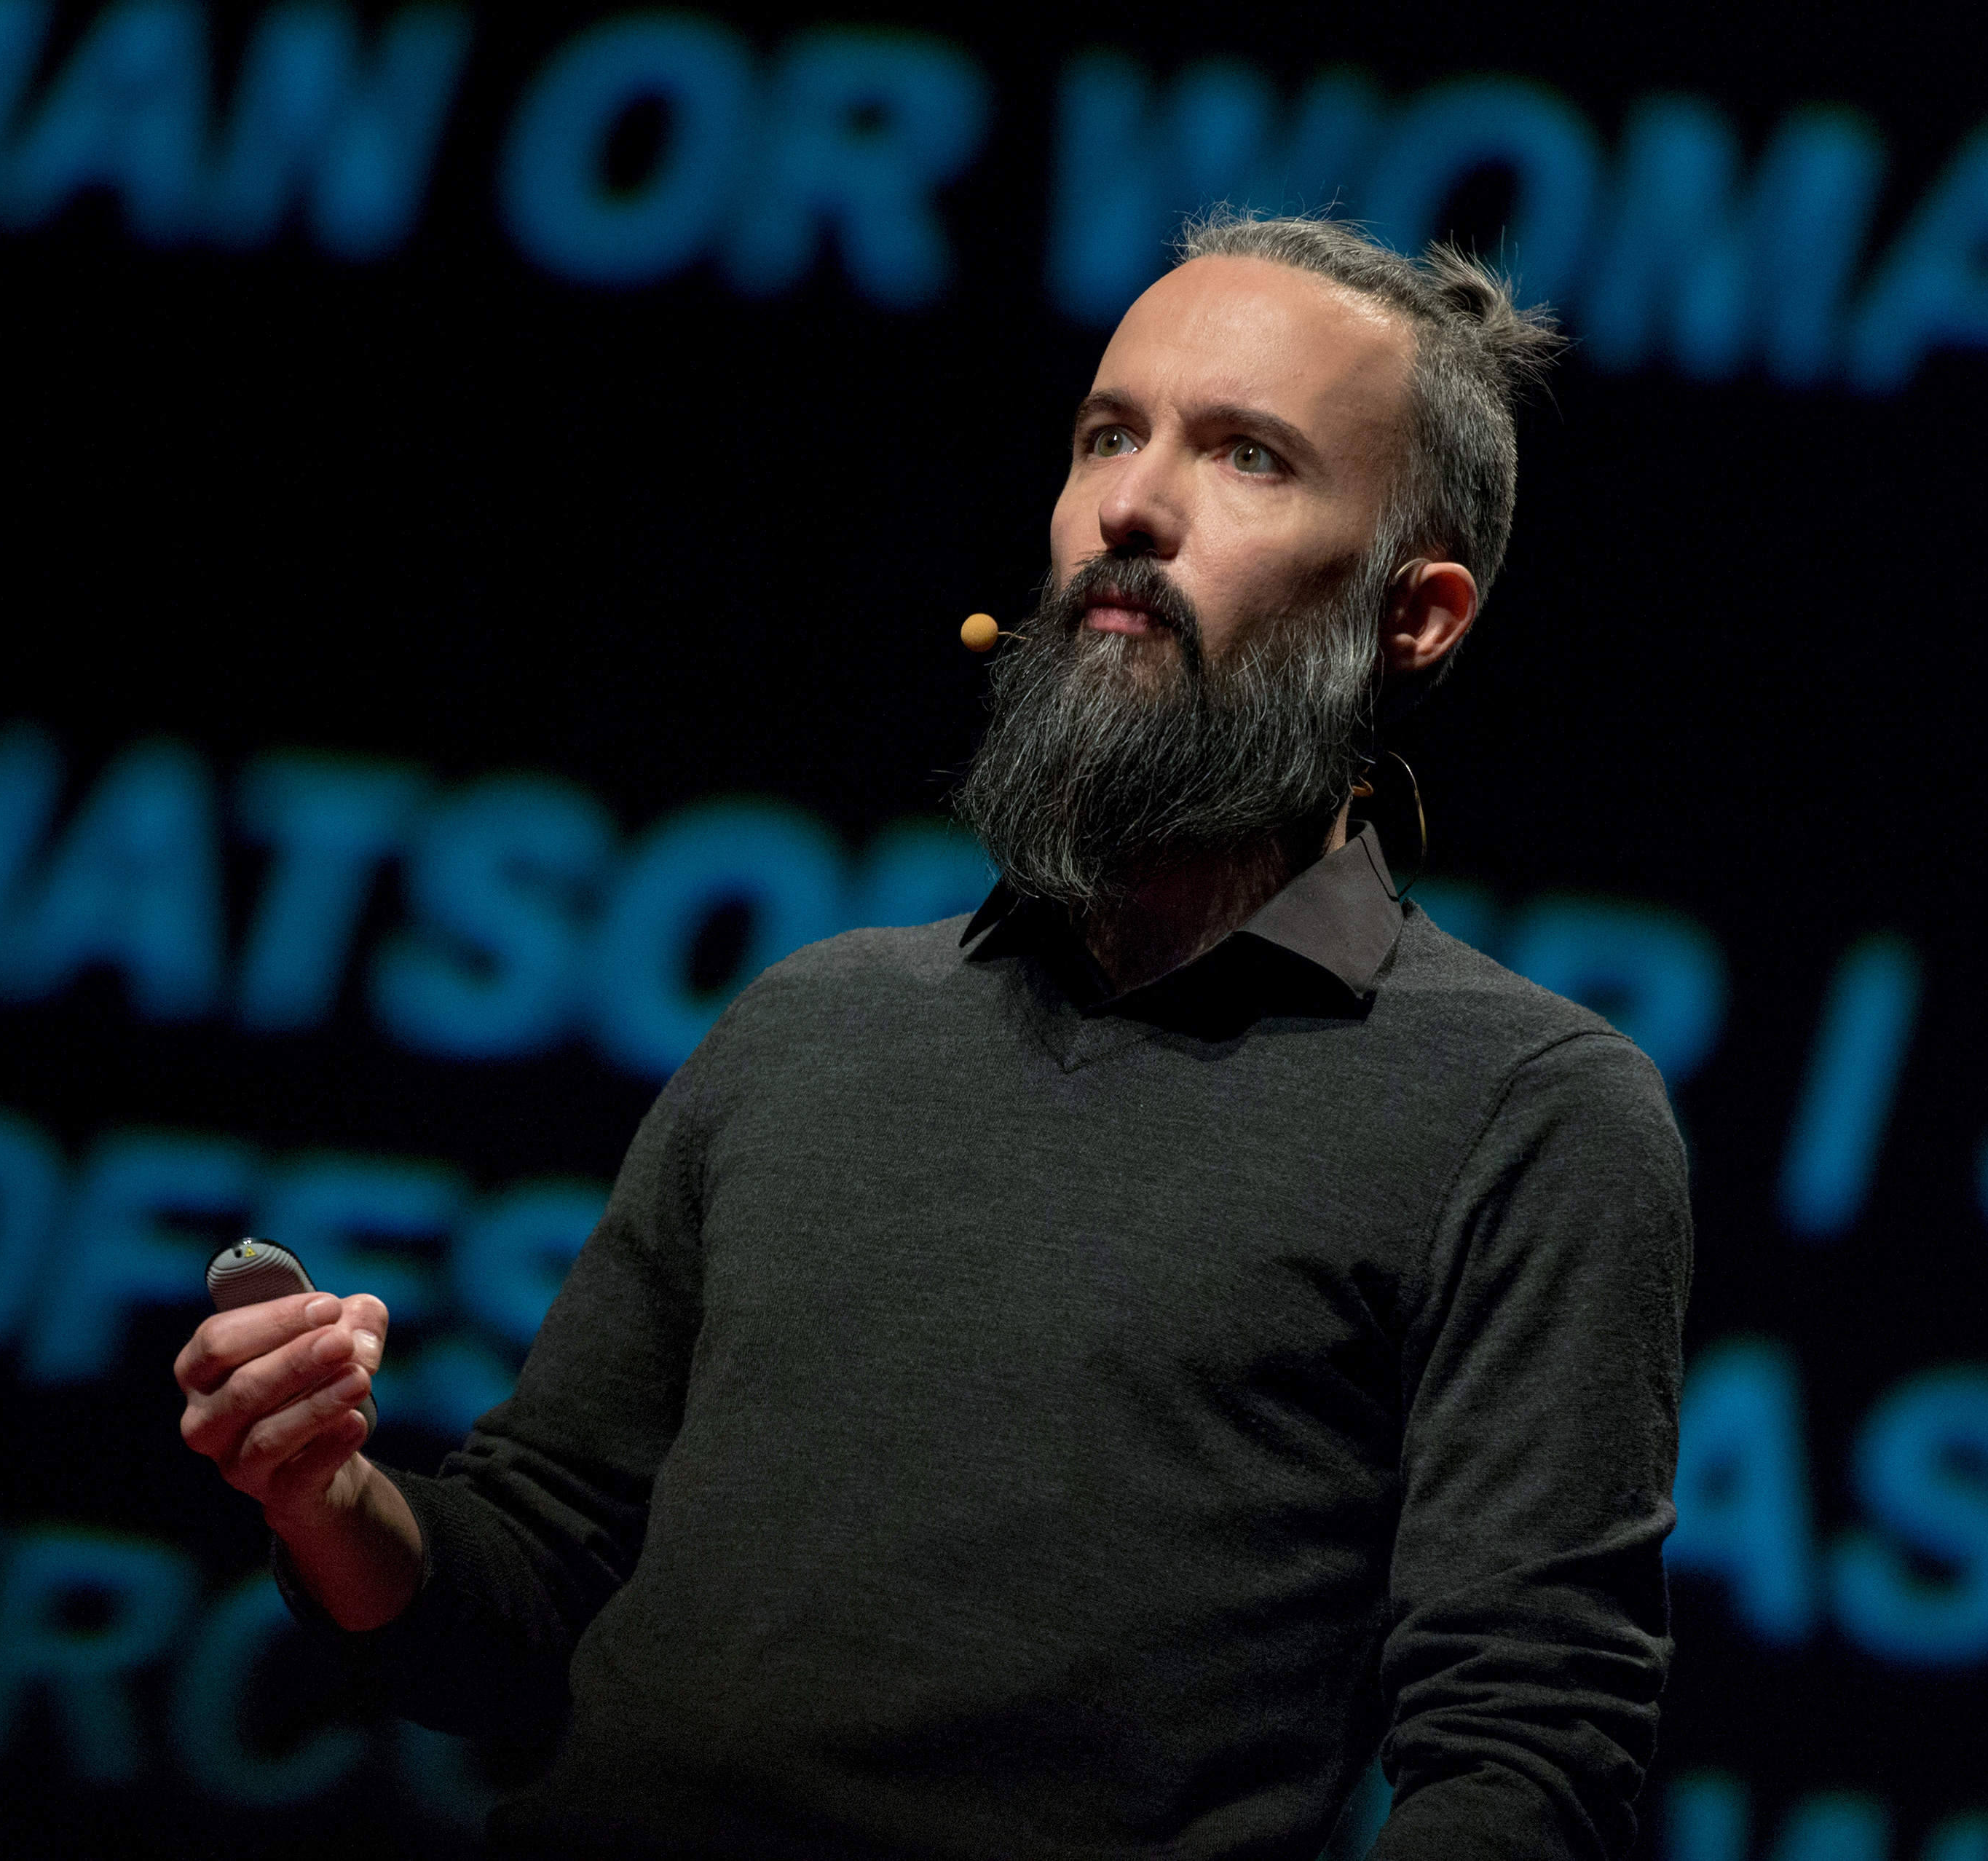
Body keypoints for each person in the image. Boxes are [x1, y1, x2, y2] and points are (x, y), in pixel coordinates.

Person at [175, 212, 1691, 1861]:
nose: (1132, 506)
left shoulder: (1522, 1111)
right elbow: (526, 1592)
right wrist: (328, 1500)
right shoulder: (816, 1023)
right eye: (1108, 435)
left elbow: (1525, 1756)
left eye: (1248, 456)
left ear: (1419, 613)